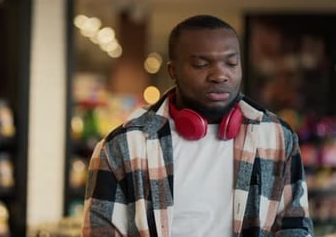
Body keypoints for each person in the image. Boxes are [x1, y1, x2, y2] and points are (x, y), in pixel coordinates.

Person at [82, 15, 314, 237]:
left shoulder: (276, 137)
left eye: (231, 63)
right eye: (202, 64)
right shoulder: (123, 145)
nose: (220, 75)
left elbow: (294, 225)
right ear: (173, 71)